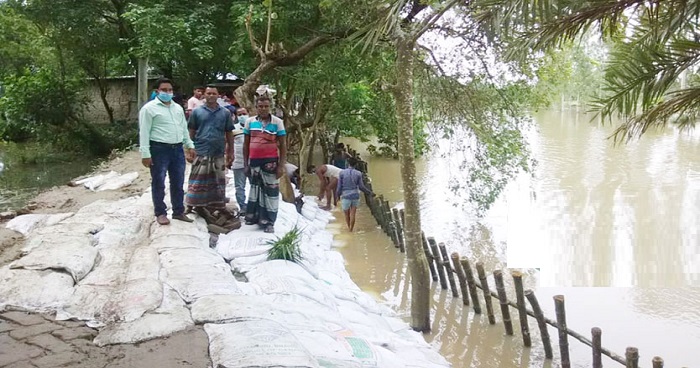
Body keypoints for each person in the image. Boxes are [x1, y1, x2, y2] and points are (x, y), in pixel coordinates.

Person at [139, 78, 195, 225]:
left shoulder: (177, 108)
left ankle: (178, 211)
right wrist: (145, 154)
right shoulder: (149, 109)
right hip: (158, 149)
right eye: (164, 90)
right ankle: (160, 212)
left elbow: (183, 128)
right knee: (159, 182)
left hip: (177, 149)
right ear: (157, 91)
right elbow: (144, 132)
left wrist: (189, 145)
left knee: (178, 181)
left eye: (170, 90)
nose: (168, 93)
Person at [184, 86, 234, 212]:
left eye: (214, 93)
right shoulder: (197, 112)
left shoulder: (225, 113)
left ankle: (216, 205)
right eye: (209, 93)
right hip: (201, 150)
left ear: (218, 95)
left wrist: (230, 151)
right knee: (197, 179)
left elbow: (229, 133)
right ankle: (192, 204)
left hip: (218, 151)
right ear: (204, 95)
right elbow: (191, 131)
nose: (211, 95)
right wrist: (189, 149)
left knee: (217, 180)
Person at [243, 96, 287, 233]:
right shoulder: (249, 122)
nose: (263, 109)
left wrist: (281, 166)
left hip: (270, 163)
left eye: (266, 106)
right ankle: (255, 217)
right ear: (256, 107)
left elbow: (283, 145)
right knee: (255, 190)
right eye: (260, 106)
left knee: (271, 193)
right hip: (254, 162)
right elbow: (246, 144)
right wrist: (246, 164)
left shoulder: (277, 122)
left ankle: (269, 222)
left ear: (270, 107)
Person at [336, 158, 373, 232]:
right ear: (356, 164)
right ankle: (351, 229)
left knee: (347, 214)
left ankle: (349, 228)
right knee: (353, 213)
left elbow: (339, 186)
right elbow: (361, 187)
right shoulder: (358, 173)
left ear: (348, 163)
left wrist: (338, 196)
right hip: (355, 195)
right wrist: (369, 192)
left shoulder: (342, 173)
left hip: (345, 195)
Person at [231, 107, 249, 214]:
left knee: (255, 186)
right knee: (239, 186)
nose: (242, 116)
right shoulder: (233, 128)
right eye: (239, 114)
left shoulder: (253, 127)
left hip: (252, 161)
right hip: (238, 161)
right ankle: (242, 206)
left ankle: (253, 206)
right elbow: (229, 144)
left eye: (244, 113)